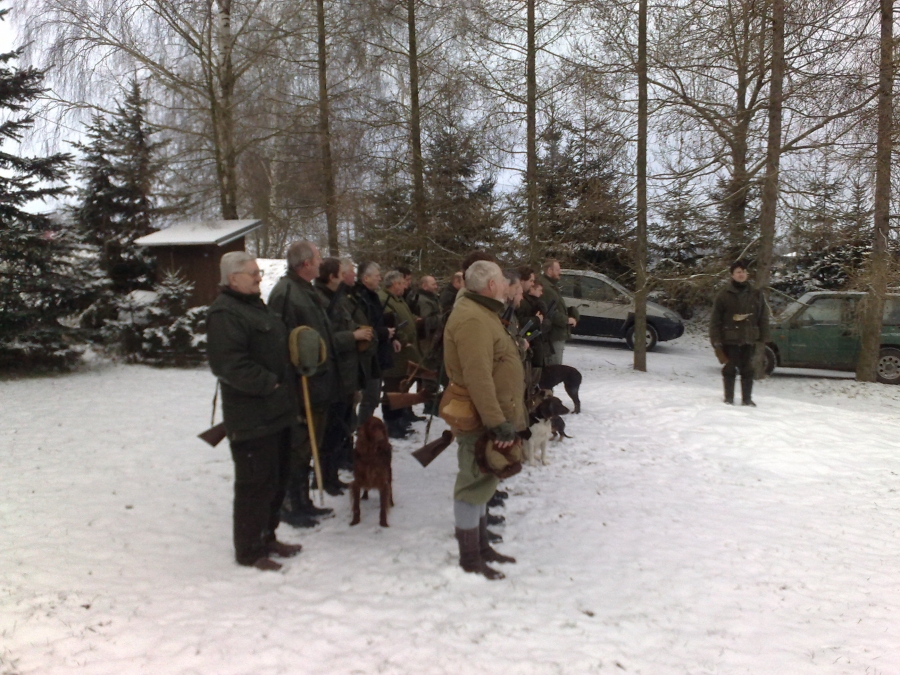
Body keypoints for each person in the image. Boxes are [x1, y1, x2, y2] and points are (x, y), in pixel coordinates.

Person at [206, 252, 303, 571]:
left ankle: (267, 536)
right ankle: (249, 551)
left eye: (258, 272)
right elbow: (228, 364)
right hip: (252, 417)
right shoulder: (225, 312)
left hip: (277, 412)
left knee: (276, 480)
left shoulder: (254, 305)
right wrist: (270, 383)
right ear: (233, 278)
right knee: (254, 485)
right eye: (252, 273)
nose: (259, 277)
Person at [443, 260, 526, 580]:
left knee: (482, 480)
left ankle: (481, 548)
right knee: (472, 482)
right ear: (491, 285)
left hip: (488, 414)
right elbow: (478, 378)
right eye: (502, 280)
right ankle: (470, 558)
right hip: (481, 416)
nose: (506, 284)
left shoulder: (482, 312)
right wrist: (496, 422)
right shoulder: (473, 319)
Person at [267, 241, 340, 527]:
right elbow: (278, 344)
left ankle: (303, 500)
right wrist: (291, 384)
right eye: (318, 258)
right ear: (306, 263)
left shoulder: (304, 290)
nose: (322, 262)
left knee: (309, 445)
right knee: (297, 447)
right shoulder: (286, 293)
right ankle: (290, 504)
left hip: (318, 384)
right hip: (301, 387)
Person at [315, 258, 373, 494]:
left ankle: (332, 476)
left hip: (345, 375)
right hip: (331, 376)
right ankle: (323, 478)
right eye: (341, 274)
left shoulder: (337, 298)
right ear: (332, 277)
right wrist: (353, 336)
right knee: (330, 431)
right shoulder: (319, 300)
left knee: (340, 429)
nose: (347, 278)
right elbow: (323, 340)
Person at [709, 259, 769, 406]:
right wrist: (716, 340)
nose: (742, 274)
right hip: (730, 339)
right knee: (730, 368)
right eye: (738, 272)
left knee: (748, 369)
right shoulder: (723, 295)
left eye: (744, 272)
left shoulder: (756, 294)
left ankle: (747, 399)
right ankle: (729, 398)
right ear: (732, 275)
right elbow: (715, 320)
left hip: (749, 338)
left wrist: (763, 336)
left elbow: (763, 316)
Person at [348, 262, 397, 425]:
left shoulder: (371, 296)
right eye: (377, 276)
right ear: (366, 278)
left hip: (377, 352)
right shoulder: (360, 298)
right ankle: (363, 431)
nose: (380, 279)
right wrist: (383, 332)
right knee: (369, 397)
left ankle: (364, 428)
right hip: (367, 355)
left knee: (373, 397)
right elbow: (365, 326)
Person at [379, 270, 424, 438]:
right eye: (402, 283)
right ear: (394, 284)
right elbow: (391, 322)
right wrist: (403, 339)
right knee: (392, 388)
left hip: (405, 353)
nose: (405, 287)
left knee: (401, 386)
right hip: (395, 353)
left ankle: (400, 420)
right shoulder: (384, 299)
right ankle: (391, 424)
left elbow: (405, 317)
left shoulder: (398, 299)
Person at [540, 259, 578, 365]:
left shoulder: (552, 286)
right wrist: (566, 320)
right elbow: (549, 312)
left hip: (555, 334)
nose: (560, 272)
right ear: (549, 270)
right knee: (554, 367)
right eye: (557, 270)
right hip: (553, 335)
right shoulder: (547, 288)